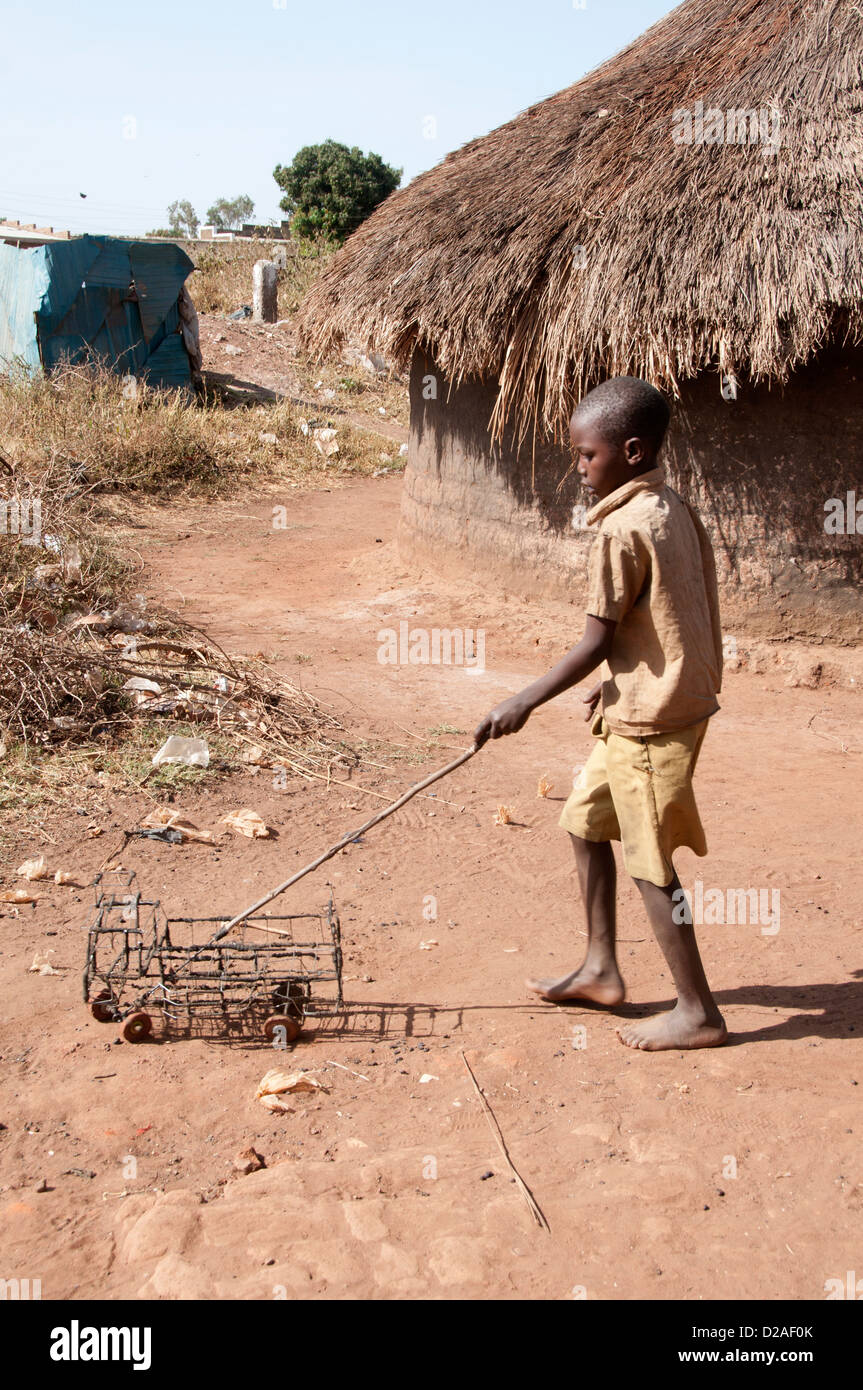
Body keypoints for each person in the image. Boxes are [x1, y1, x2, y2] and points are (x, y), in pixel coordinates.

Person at [473, 376, 727, 1050]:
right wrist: (626, 675)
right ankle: (600, 968)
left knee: (649, 863)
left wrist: (520, 700)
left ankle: (697, 1012)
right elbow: (676, 613)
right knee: (585, 822)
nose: (578, 468)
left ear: (632, 450)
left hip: (653, 722)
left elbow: (595, 640)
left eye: (586, 456)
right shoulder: (670, 507)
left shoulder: (619, 530)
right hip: (654, 701)